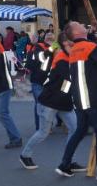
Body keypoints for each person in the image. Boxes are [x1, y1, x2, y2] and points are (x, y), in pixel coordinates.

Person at [57, 21, 97, 181]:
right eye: (78, 24)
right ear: (76, 32)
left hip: (80, 99)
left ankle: (64, 164)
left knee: (80, 131)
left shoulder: (75, 49)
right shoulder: (88, 47)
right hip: (93, 98)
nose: (81, 24)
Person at [20, 32, 80, 170]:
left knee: (75, 129)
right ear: (64, 43)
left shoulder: (67, 56)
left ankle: (67, 160)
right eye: (71, 43)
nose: (74, 46)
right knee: (43, 132)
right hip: (49, 99)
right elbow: (67, 81)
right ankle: (25, 155)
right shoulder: (57, 56)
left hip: (62, 101)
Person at [26, 32, 56, 131]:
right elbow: (41, 57)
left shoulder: (56, 49)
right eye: (48, 37)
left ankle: (48, 125)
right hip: (38, 80)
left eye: (52, 37)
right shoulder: (39, 47)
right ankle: (40, 127)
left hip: (50, 81)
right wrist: (52, 48)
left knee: (49, 104)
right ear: (45, 39)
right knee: (40, 104)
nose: (50, 38)